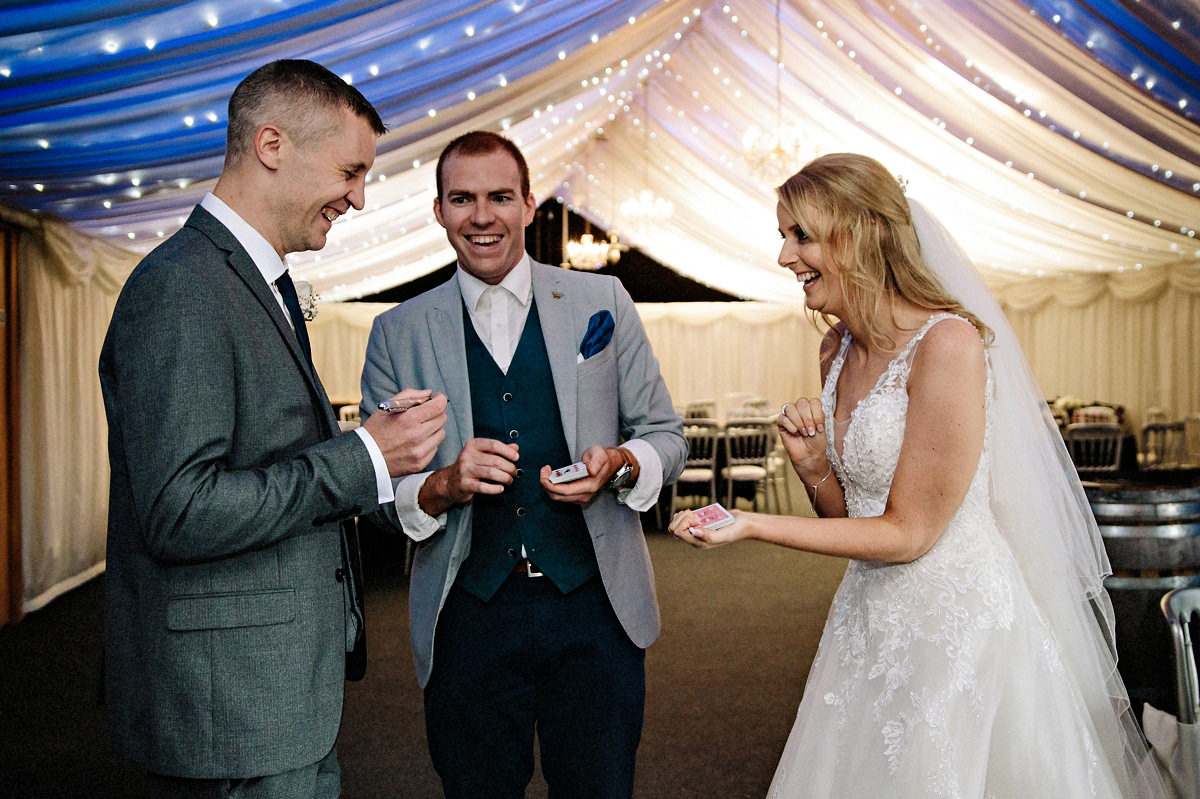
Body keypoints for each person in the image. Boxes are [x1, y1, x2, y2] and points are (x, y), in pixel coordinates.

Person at [669, 153, 1169, 797]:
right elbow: (852, 523)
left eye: (801, 236)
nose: (785, 257)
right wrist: (817, 468)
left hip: (956, 625)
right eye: (782, 236)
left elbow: (909, 533)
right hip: (868, 617)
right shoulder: (835, 348)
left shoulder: (949, 344)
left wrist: (753, 523)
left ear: (861, 234)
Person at [99, 59, 448, 798]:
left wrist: (376, 448)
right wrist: (361, 456)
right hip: (231, 710)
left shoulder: (252, 280)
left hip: (277, 698)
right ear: (271, 145)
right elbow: (179, 510)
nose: (357, 197)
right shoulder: (183, 287)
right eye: (351, 172)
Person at [359, 130, 686, 797]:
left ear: (530, 204)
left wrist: (621, 461)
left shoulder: (603, 303)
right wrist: (444, 484)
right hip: (468, 613)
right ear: (439, 210)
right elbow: (377, 493)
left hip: (595, 606)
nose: (482, 216)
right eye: (463, 199)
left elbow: (666, 435)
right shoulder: (398, 331)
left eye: (500, 197)